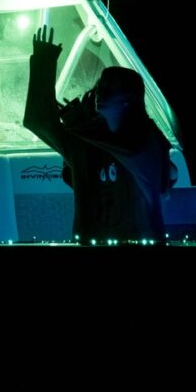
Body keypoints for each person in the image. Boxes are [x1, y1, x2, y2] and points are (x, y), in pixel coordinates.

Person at [23, 25, 172, 243]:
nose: (101, 92)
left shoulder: (148, 140)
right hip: (90, 244)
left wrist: (79, 125)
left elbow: (131, 152)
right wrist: (43, 61)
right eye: (100, 86)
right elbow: (38, 120)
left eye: (110, 88)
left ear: (129, 98)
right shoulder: (83, 142)